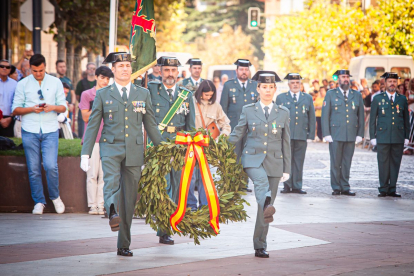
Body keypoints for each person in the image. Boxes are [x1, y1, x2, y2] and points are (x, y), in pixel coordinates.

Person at [81, 52, 162, 257]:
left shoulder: (142, 93)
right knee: (111, 183)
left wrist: (163, 148)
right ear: (114, 70)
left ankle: (123, 243)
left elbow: (150, 124)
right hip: (110, 147)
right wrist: (86, 153)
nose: (125, 69)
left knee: (129, 199)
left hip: (134, 151)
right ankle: (112, 212)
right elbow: (93, 125)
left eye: (128, 65)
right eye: (121, 66)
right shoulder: (103, 94)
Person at [228, 71, 291, 258]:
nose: (268, 90)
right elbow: (237, 133)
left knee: (264, 207)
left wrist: (286, 169)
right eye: (264, 87)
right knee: (262, 187)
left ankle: (260, 244)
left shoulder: (283, 113)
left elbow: (286, 142)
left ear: (275, 89)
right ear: (258, 88)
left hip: (275, 162)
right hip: (252, 159)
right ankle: (265, 204)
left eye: (271, 87)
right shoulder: (248, 110)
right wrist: (221, 147)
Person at [147, 56, 195, 245]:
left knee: (175, 188)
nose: (170, 74)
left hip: (179, 147)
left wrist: (190, 149)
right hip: (158, 144)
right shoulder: (151, 90)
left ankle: (167, 224)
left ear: (178, 73)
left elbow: (190, 126)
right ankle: (163, 229)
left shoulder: (186, 94)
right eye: (166, 70)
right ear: (160, 71)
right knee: (165, 187)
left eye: (173, 71)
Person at [12, 54, 67, 215]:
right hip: (30, 129)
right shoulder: (22, 84)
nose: (38, 74)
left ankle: (55, 197)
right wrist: (32, 109)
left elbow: (63, 107)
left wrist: (52, 107)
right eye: (34, 71)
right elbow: (15, 109)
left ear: (45, 66)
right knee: (33, 168)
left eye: (41, 70)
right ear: (30, 68)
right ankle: (39, 202)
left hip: (50, 129)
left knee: (51, 166)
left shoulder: (55, 82)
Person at [188, 79, 231, 210]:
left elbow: (226, 124)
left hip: (207, 146)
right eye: (206, 95)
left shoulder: (216, 106)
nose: (208, 97)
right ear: (200, 92)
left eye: (211, 95)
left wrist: (222, 137)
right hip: (191, 144)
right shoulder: (191, 102)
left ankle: (204, 205)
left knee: (204, 176)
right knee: (190, 177)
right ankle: (190, 205)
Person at [321, 69, 364, 196]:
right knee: (335, 162)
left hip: (350, 133)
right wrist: (326, 133)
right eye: (343, 77)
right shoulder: (330, 94)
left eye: (347, 77)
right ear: (338, 79)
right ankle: (336, 187)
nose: (345, 79)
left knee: (347, 162)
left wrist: (359, 134)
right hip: (335, 134)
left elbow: (360, 115)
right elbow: (325, 115)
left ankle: (345, 186)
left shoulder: (356, 95)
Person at [220, 59, 259, 192]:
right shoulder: (228, 85)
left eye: (246, 69)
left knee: (246, 156)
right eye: (241, 69)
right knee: (233, 156)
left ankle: (243, 184)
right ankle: (233, 183)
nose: (244, 72)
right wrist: (224, 128)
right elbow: (223, 109)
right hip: (234, 128)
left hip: (250, 129)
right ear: (236, 71)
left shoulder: (255, 86)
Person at [79, 66, 113, 215]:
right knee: (92, 174)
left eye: (107, 79)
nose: (105, 81)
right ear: (96, 77)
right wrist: (100, 104)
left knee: (105, 175)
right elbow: (85, 117)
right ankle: (92, 205)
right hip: (92, 139)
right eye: (102, 78)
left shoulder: (112, 94)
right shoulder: (87, 94)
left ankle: (101, 205)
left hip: (108, 138)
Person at [370, 73, 410, 197]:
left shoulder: (402, 99)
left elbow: (405, 119)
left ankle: (392, 188)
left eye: (394, 81)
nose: (392, 83)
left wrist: (406, 136)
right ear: (385, 83)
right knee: (382, 163)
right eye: (390, 81)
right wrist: (373, 137)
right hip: (383, 136)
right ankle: (383, 188)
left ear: (397, 83)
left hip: (398, 136)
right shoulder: (377, 98)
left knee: (395, 163)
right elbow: (372, 120)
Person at [276, 73, 315, 194]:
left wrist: (311, 134)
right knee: (286, 160)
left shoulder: (307, 98)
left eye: (297, 83)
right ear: (288, 84)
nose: (295, 85)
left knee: (299, 160)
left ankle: (297, 185)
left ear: (300, 84)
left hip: (301, 134)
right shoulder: (281, 98)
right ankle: (287, 185)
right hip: (286, 135)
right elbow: (277, 117)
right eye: (292, 83)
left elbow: (311, 118)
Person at [76, 62, 96, 138]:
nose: (92, 70)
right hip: (84, 108)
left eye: (93, 68)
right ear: (87, 70)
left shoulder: (98, 82)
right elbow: (77, 96)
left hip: (96, 107)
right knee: (82, 127)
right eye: (90, 68)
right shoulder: (81, 83)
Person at [0, 59, 17, 137]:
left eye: (7, 67)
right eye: (2, 66)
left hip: (10, 119)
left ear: (10, 70)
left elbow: (17, 102)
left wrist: (10, 117)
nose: (4, 68)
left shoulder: (15, 84)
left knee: (9, 144)